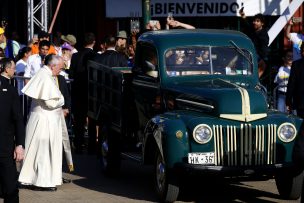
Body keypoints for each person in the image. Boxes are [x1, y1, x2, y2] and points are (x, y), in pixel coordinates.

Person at [18, 55, 67, 191]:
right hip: (44, 121)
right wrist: (61, 100)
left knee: (39, 151)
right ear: (53, 66)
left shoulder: (45, 74)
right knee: (43, 152)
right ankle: (42, 182)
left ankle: (37, 179)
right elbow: (50, 102)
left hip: (43, 119)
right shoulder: (45, 76)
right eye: (59, 68)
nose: (60, 71)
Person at [0, 58, 25, 203]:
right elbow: (18, 119)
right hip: (5, 146)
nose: (15, 71)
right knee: (10, 187)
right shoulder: (9, 90)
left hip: (5, 144)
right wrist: (19, 144)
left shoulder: (9, 89)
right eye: (13, 68)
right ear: (6, 69)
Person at [69, 32, 97, 154]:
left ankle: (78, 145)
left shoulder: (75, 56)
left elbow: (71, 74)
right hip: (91, 92)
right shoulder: (95, 55)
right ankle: (91, 146)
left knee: (79, 120)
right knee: (91, 120)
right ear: (94, 42)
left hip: (77, 91)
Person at [239, 10, 269, 78]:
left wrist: (261, 59)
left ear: (262, 23)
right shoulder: (253, 30)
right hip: (246, 54)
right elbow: (247, 24)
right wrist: (243, 16)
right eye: (254, 21)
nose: (255, 22)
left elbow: (264, 49)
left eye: (257, 21)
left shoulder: (263, 34)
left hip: (255, 56)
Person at [286, 43, 304, 119]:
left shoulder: (296, 64)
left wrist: (288, 102)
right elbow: (291, 84)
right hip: (300, 102)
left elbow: (291, 84)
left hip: (301, 102)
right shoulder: (296, 64)